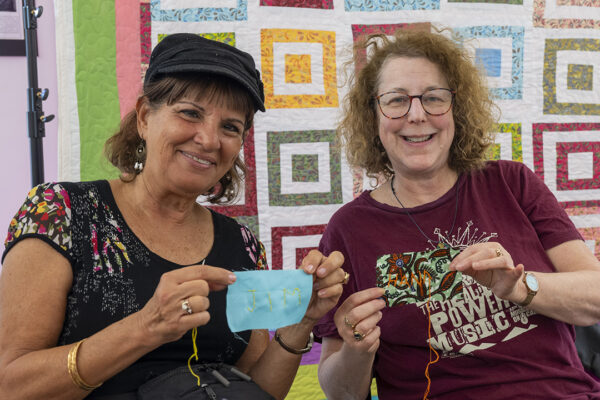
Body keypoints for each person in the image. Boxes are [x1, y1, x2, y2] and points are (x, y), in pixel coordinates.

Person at [0, 33, 345, 399]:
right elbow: (11, 384)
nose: (210, 139)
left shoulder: (242, 247)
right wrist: (147, 328)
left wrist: (300, 324)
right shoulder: (61, 211)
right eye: (190, 113)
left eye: (231, 127)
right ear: (146, 117)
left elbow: (253, 389)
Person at [314, 29, 600, 399]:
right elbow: (342, 394)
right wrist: (355, 348)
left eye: (433, 98)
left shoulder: (511, 183)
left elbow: (594, 298)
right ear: (373, 116)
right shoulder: (349, 229)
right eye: (397, 100)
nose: (416, 115)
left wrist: (520, 286)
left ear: (456, 110)